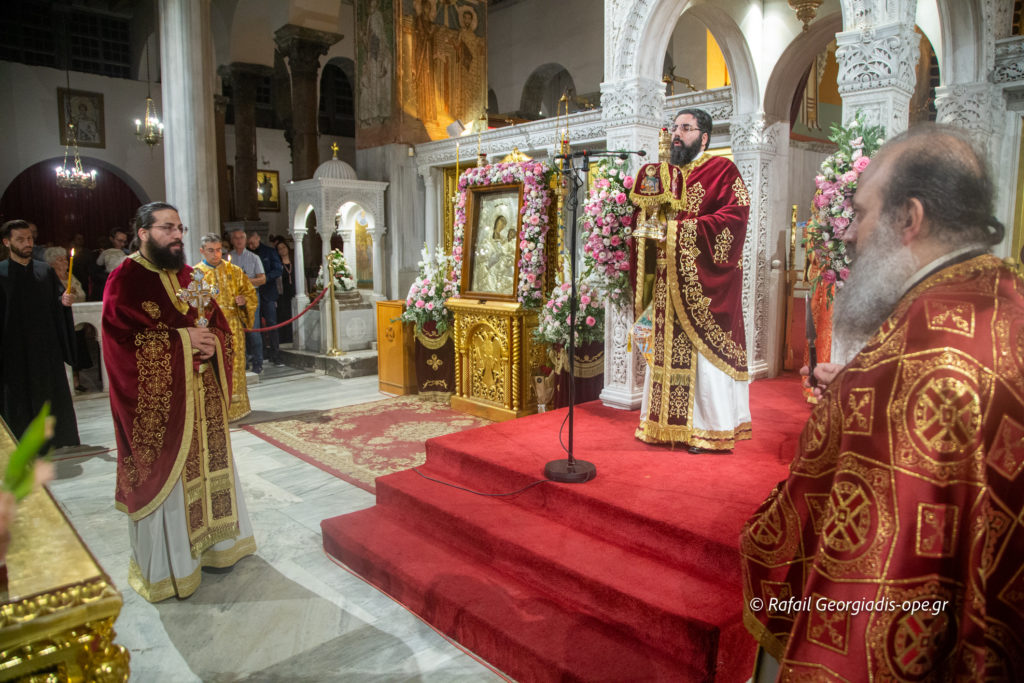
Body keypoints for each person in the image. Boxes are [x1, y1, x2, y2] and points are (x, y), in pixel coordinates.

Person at [740, 125, 1023, 680]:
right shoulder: (1004, 296)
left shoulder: (916, 360)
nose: (849, 233)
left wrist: (865, 390)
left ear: (908, 219)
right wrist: (856, 384)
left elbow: (872, 590)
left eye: (863, 212)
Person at [102, 202, 256, 602]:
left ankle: (219, 548)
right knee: (169, 480)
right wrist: (186, 341)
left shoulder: (188, 275)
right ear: (143, 232)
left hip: (202, 400)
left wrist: (214, 344)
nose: (177, 236)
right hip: (164, 408)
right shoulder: (125, 279)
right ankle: (175, 567)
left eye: (179, 228)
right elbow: (121, 345)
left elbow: (219, 326)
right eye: (167, 228)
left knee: (210, 471)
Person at [630, 108, 751, 452]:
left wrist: (676, 232)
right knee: (665, 351)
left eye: (686, 128)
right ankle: (661, 426)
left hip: (702, 283)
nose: (677, 134)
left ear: (705, 136)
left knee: (700, 357)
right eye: (675, 128)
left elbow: (735, 218)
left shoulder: (721, 171)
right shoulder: (663, 175)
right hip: (666, 282)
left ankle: (706, 431)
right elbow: (645, 220)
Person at [0, 220, 80, 448]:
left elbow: (55, 303)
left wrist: (63, 301)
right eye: (21, 239)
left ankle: (56, 439)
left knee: (49, 392)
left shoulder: (44, 270)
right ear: (7, 242)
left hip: (45, 347)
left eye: (30, 239)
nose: (28, 243)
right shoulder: (1, 273)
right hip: (13, 350)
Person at [194, 234, 258, 420]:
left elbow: (250, 294)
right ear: (202, 251)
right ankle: (214, 410)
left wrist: (244, 301)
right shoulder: (195, 274)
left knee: (235, 364)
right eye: (211, 250)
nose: (216, 254)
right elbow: (189, 305)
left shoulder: (235, 271)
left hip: (233, 326)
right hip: (211, 329)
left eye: (219, 249)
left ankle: (237, 408)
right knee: (213, 366)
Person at [44, 246, 91, 392]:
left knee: (78, 351)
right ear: (51, 263)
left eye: (65, 259)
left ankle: (77, 380)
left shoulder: (71, 275)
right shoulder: (49, 278)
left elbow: (80, 292)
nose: (64, 262)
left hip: (79, 320)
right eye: (60, 260)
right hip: (63, 321)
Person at [226, 227, 265, 372]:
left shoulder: (254, 258)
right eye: (235, 238)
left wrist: (246, 280)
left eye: (241, 238)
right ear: (232, 241)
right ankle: (242, 361)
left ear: (245, 239)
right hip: (233, 297)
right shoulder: (227, 258)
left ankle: (258, 362)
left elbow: (262, 279)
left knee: (253, 329)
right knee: (237, 330)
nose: (238, 241)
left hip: (250, 296)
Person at [247, 231, 284, 367]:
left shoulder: (269, 252)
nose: (251, 245)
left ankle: (276, 353)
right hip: (252, 295)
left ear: (258, 238)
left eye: (253, 242)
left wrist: (264, 279)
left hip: (267, 293)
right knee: (255, 325)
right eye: (248, 243)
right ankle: (260, 354)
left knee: (272, 323)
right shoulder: (247, 254)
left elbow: (278, 269)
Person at [275, 240, 295, 345]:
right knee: (284, 316)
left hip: (294, 292)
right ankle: (284, 340)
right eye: (280, 249)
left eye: (284, 247)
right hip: (283, 294)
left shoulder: (294, 261)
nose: (282, 250)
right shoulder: (278, 264)